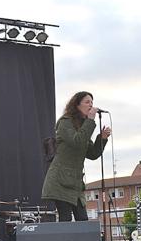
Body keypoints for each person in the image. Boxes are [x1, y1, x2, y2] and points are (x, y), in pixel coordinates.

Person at [41, 91, 111, 221]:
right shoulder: (65, 122)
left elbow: (92, 153)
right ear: (77, 105)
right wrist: (90, 121)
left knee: (83, 220)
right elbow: (76, 142)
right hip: (60, 181)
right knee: (65, 219)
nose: (91, 105)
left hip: (75, 184)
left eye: (92, 102)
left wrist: (102, 139)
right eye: (87, 102)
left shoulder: (83, 127)